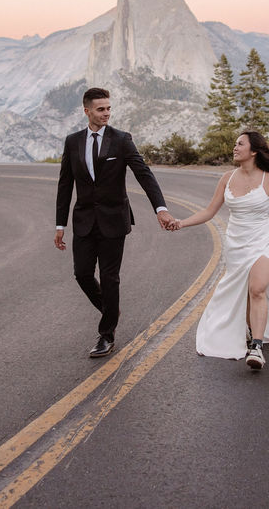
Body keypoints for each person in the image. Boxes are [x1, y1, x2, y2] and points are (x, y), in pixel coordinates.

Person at [169, 131, 269, 370]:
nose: (235, 147)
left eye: (240, 144)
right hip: (235, 243)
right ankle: (251, 328)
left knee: (257, 289)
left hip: (263, 241)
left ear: (253, 151)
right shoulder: (227, 178)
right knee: (244, 292)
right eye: (235, 144)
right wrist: (181, 222)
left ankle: (257, 347)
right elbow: (209, 212)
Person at [55, 87, 175, 358]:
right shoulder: (73, 142)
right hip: (84, 220)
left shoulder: (121, 140)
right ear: (87, 111)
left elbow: (144, 174)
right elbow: (65, 184)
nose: (106, 113)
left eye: (109, 108)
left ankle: (106, 334)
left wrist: (160, 208)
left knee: (110, 278)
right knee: (82, 273)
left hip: (113, 221)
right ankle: (111, 309)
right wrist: (60, 225)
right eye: (100, 109)